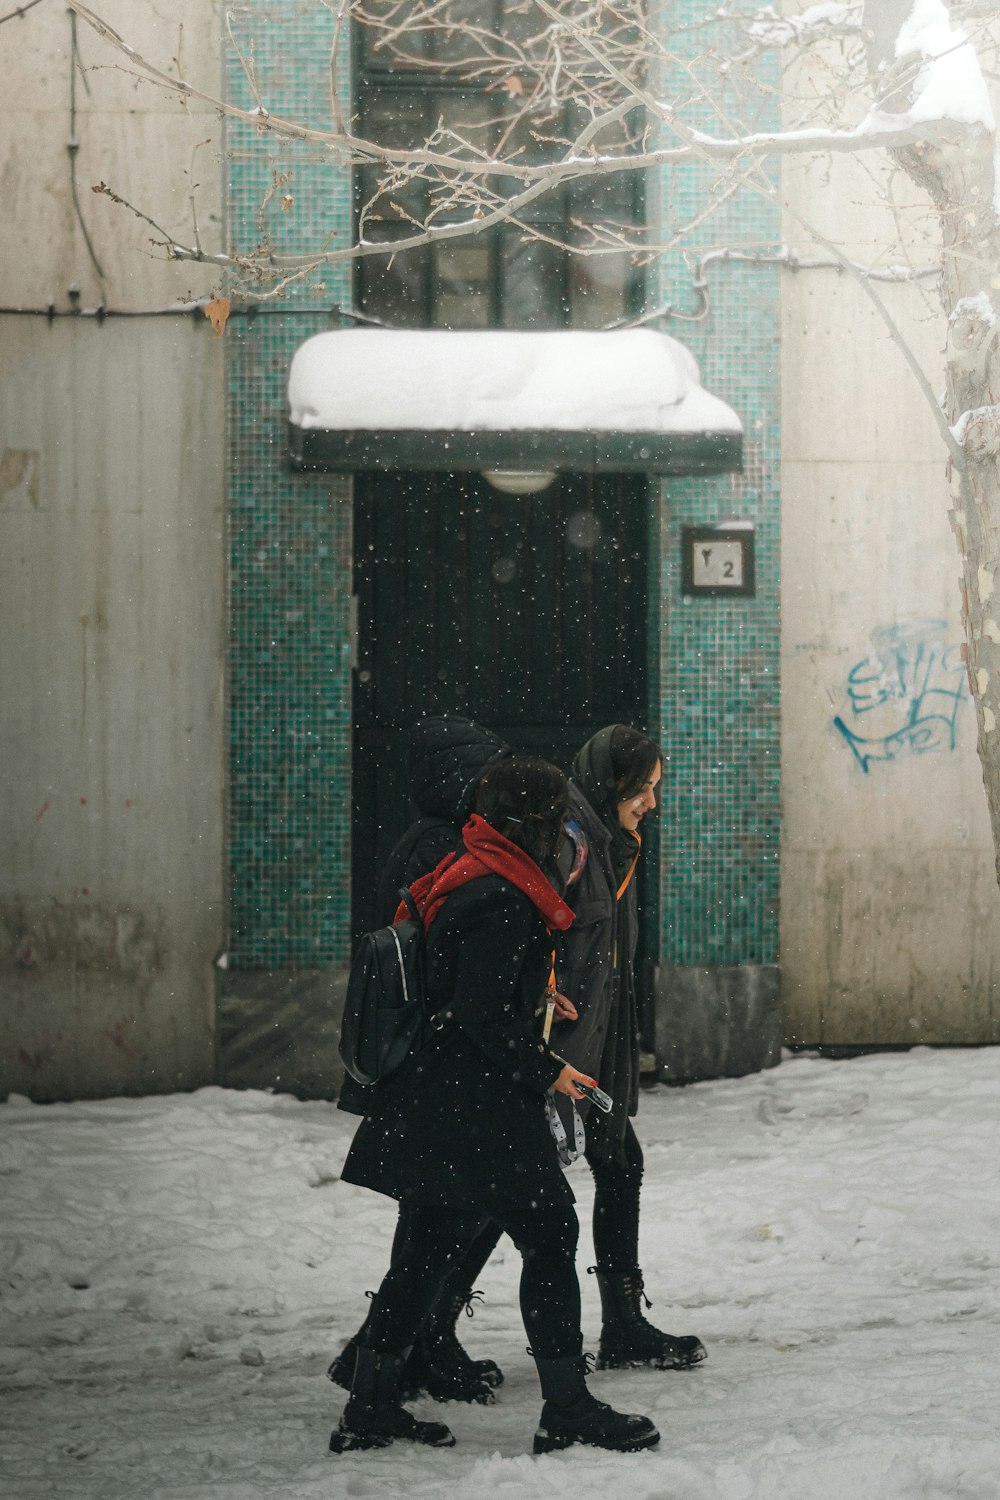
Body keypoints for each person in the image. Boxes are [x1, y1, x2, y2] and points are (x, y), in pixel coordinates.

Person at [330, 756, 659, 1456]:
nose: (559, 838)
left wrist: (533, 994)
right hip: (475, 1105)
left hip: (435, 1095)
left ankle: (371, 1404)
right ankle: (566, 1406)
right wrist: (550, 1070)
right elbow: (478, 1018)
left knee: (424, 1251)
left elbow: (457, 984)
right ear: (531, 824)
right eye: (552, 823)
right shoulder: (507, 899)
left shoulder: (471, 872)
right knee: (550, 1234)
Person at [333, 714, 514, 1404]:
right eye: (488, 775)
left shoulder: (438, 840)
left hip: (429, 1057)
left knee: (448, 1212)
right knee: (446, 1213)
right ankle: (402, 1350)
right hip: (434, 1061)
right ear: (460, 781)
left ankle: (409, 1344)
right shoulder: (438, 846)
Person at [553, 724, 706, 1371]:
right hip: (558, 1052)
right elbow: (531, 928)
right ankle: (407, 1336)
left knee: (620, 1165)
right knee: (502, 1198)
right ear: (612, 782)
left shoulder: (614, 843)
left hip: (598, 1044)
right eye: (644, 789)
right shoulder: (570, 842)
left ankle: (622, 1326)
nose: (652, 803)